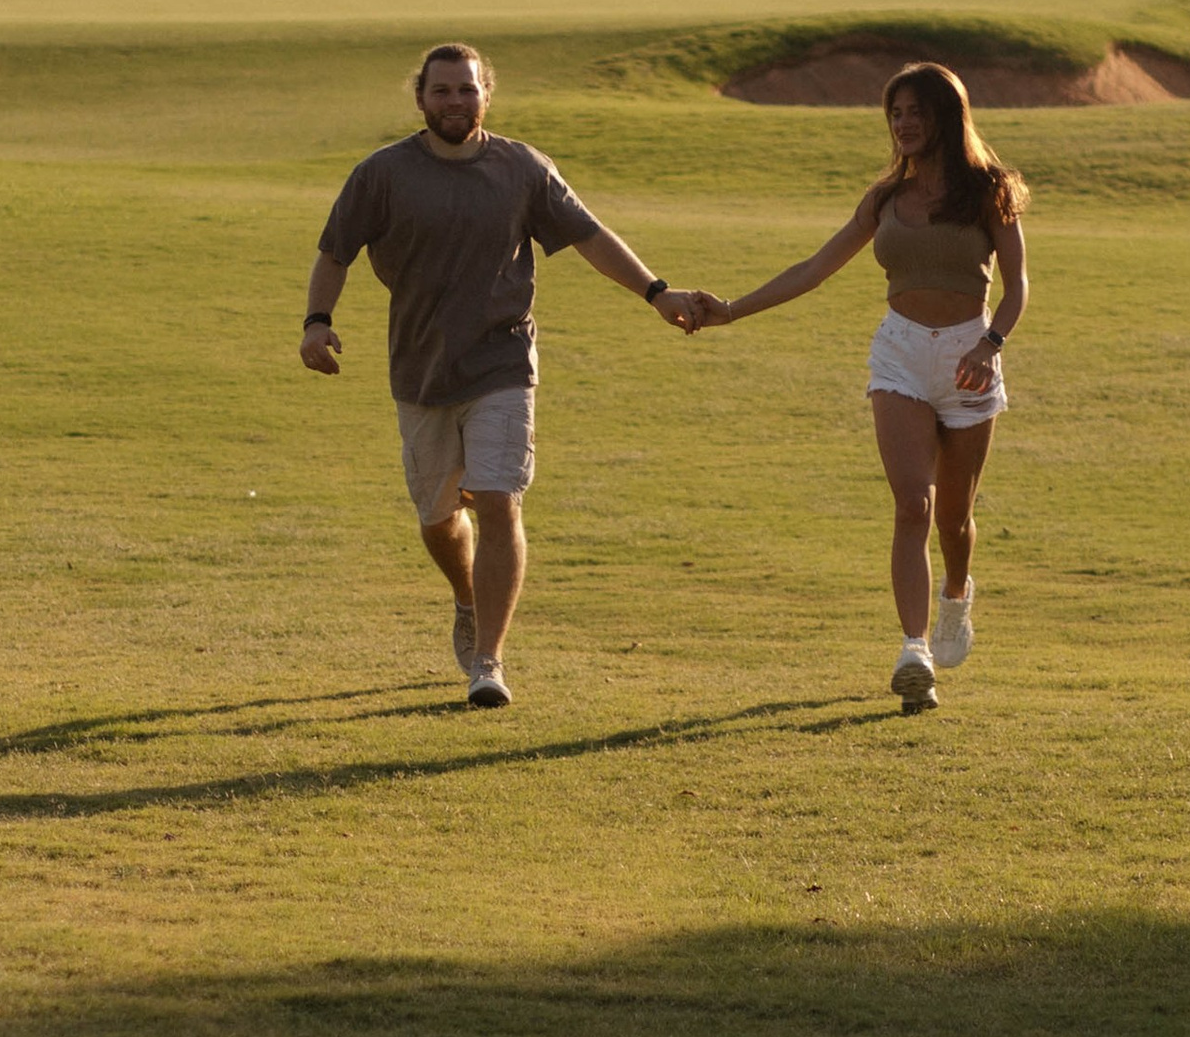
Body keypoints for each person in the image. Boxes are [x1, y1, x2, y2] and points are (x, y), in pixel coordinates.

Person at [300, 40, 701, 708]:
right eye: (442, 90)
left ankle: (489, 660)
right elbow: (334, 252)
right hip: (421, 368)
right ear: (420, 99)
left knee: (498, 499)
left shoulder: (523, 168)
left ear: (487, 94)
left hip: (504, 360)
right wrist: (317, 321)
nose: (455, 101)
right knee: (437, 517)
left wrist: (657, 293)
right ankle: (467, 595)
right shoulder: (382, 174)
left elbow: (591, 236)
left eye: (467, 89)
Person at [691, 59, 1028, 713]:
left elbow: (1018, 286)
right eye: (895, 113)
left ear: (946, 116)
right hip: (900, 355)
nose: (903, 124)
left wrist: (990, 346)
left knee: (954, 520)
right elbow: (815, 268)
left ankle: (957, 593)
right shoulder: (884, 199)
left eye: (916, 111)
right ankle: (914, 652)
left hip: (970, 356)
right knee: (913, 506)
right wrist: (731, 310)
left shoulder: (990, 190)